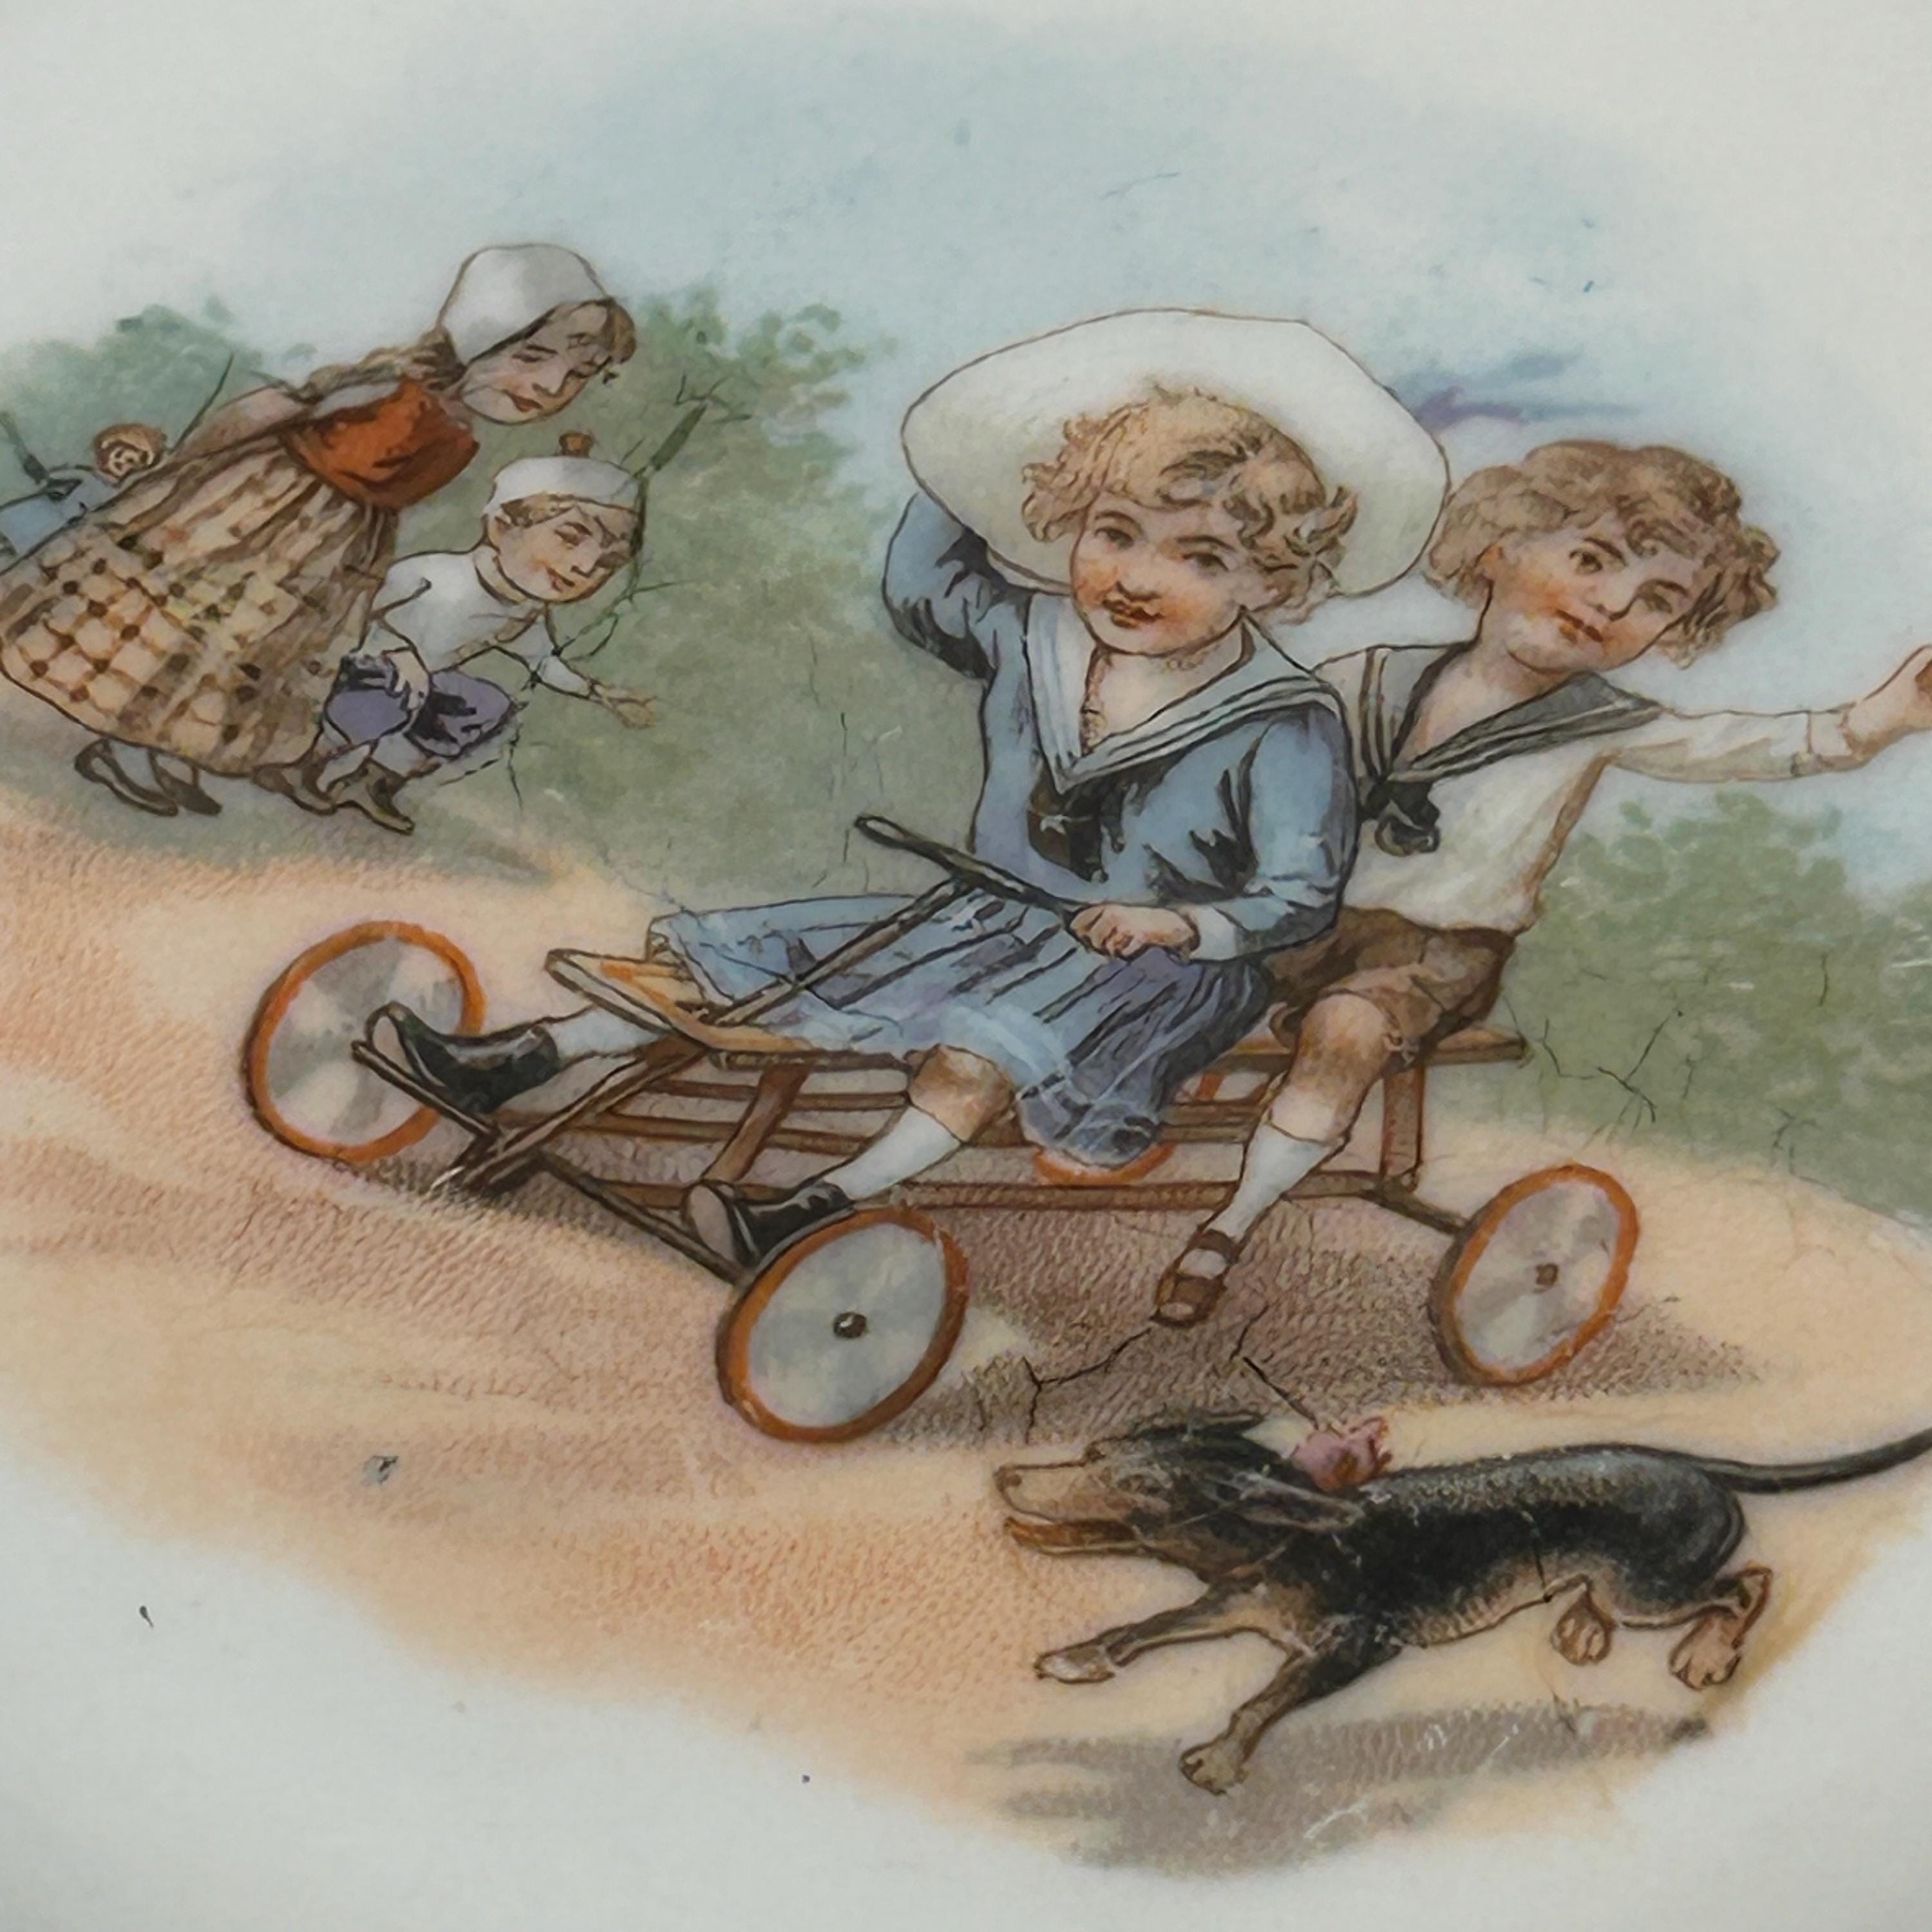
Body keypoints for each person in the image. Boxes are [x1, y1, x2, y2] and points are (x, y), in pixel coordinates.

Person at [386, 312, 1446, 1275]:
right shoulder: (1036, 632)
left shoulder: (1283, 718)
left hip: (1153, 970)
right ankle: (522, 1059)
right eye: (1115, 532)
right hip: (990, 915)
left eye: (1201, 557)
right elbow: (926, 586)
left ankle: (814, 1206)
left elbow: (1300, 896)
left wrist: (1178, 924)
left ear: (1273, 582)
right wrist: (964, 465)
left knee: (982, 1045)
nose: (1136, 576)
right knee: (754, 964)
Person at [1148, 438, 1932, 1325]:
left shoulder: (1601, 723)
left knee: (1347, 1030)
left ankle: (1228, 1228)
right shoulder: (1366, 677)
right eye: (1592, 561)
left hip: (1434, 948)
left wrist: (1882, 720)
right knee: (1154, 956)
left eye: (1657, 600)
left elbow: (1760, 744)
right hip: (1299, 911)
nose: (1613, 603)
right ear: (1498, 547)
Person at [0, 244, 635, 819]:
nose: (552, 386)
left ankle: (171, 751)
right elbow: (270, 411)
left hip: (335, 552)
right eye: (532, 356)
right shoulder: (392, 385)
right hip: (256, 514)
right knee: (190, 626)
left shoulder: (462, 432)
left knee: (247, 653)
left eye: (580, 373)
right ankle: (124, 748)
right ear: (481, 334)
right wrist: (182, 469)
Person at [259, 434, 654, 833]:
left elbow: (542, 661)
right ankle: (307, 766)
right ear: (502, 527)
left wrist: (597, 692)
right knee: (394, 688)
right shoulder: (436, 576)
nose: (585, 568)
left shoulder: (524, 612)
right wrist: (398, 652)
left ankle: (373, 782)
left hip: (419, 684)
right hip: (355, 670)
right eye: (569, 539)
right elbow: (360, 612)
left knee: (485, 703)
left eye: (608, 561)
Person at [0, 421, 167, 562]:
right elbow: (44, 477)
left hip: (52, 529)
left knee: (14, 546)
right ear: (105, 448)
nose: (121, 463)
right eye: (120, 454)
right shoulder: (84, 476)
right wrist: (16, 439)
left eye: (132, 462)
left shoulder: (111, 494)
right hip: (40, 513)